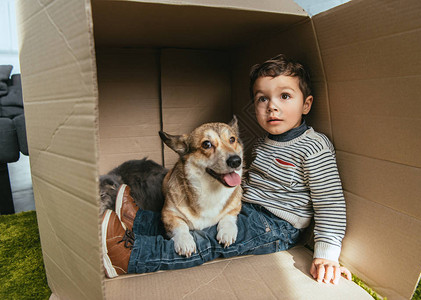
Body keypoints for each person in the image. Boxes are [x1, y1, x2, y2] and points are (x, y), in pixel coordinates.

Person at [102, 54, 351, 284]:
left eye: (284, 96)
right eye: (262, 98)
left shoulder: (313, 147)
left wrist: (327, 253)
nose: (272, 106)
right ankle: (138, 221)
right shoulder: (264, 142)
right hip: (247, 210)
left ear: (306, 105)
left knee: (208, 241)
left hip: (277, 226)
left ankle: (133, 257)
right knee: (195, 225)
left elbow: (330, 202)